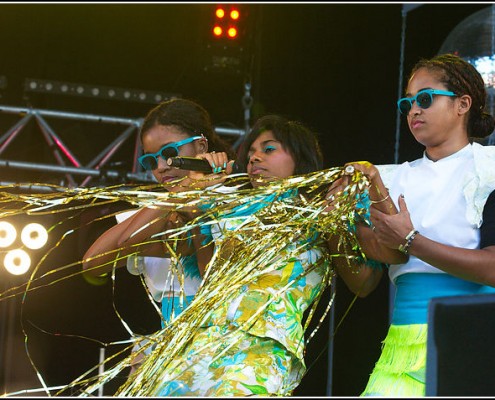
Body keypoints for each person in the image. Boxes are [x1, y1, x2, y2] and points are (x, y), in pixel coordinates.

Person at [111, 114, 405, 397]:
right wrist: (196, 196)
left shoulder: (325, 210)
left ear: (299, 158)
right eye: (250, 152)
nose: (254, 158)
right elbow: (209, 276)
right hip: (204, 344)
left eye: (268, 149)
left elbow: (374, 273)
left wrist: (352, 205)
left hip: (263, 351)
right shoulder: (229, 212)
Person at [353, 53, 495, 397]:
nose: (414, 110)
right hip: (402, 336)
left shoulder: (490, 168)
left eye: (425, 99)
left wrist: (412, 240)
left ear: (463, 104)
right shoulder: (391, 176)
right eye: (408, 104)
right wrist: (348, 217)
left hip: (473, 337)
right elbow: (385, 260)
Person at [82, 98, 234, 370]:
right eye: (152, 159)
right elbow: (93, 263)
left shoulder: (235, 204)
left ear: (201, 146)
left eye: (170, 152)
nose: (161, 166)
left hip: (220, 355)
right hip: (163, 359)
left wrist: (190, 194)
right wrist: (184, 190)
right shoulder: (158, 210)